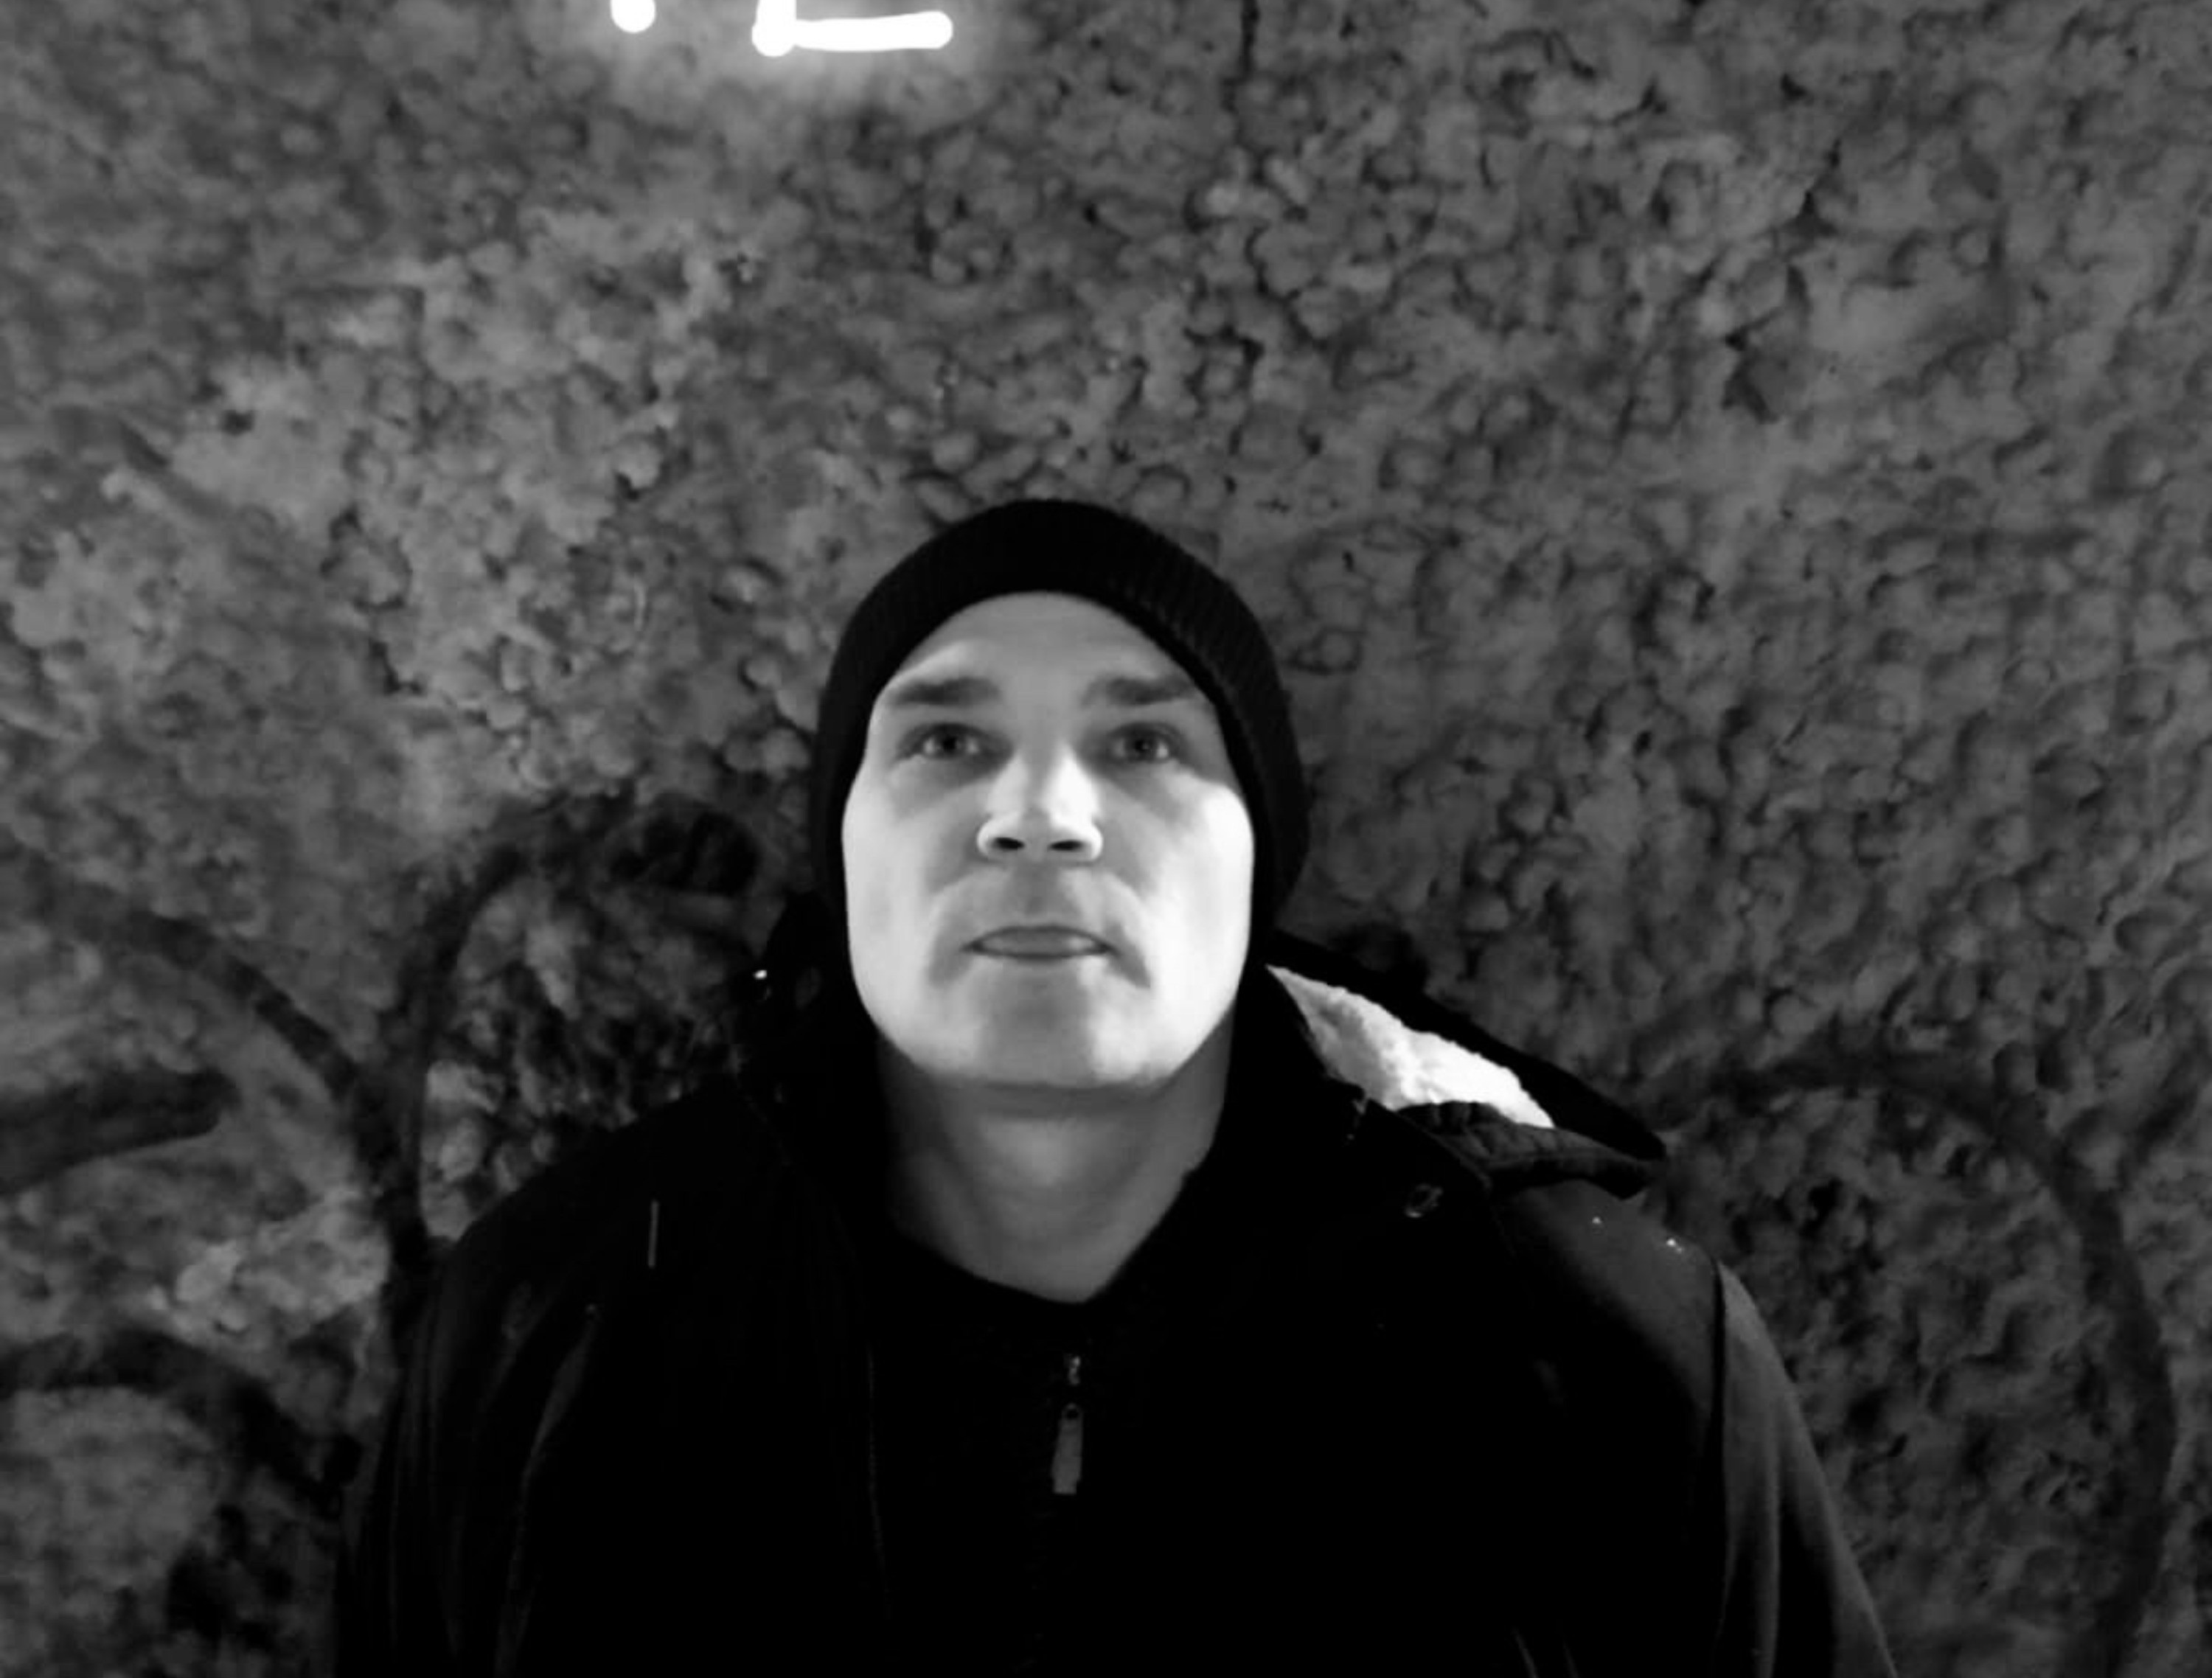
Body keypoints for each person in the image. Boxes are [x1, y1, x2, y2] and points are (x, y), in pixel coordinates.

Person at [330, 495, 1899, 1677]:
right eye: (944, 741)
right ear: (842, 847)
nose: (1040, 814)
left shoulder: (1593, 1347)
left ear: (1258, 857)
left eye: (1145, 745)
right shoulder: (563, 1327)